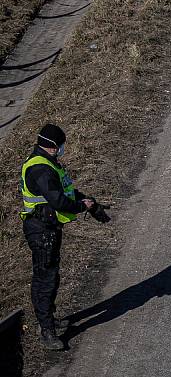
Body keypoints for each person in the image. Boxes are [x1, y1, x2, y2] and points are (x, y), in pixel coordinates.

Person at [19, 124, 110, 350]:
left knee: (51, 276)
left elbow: (65, 192)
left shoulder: (47, 163)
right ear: (53, 146)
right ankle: (46, 330)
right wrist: (81, 206)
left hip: (48, 227)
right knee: (44, 280)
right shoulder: (41, 169)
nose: (62, 149)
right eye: (60, 146)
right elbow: (58, 201)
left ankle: (49, 319)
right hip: (40, 230)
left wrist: (85, 201)